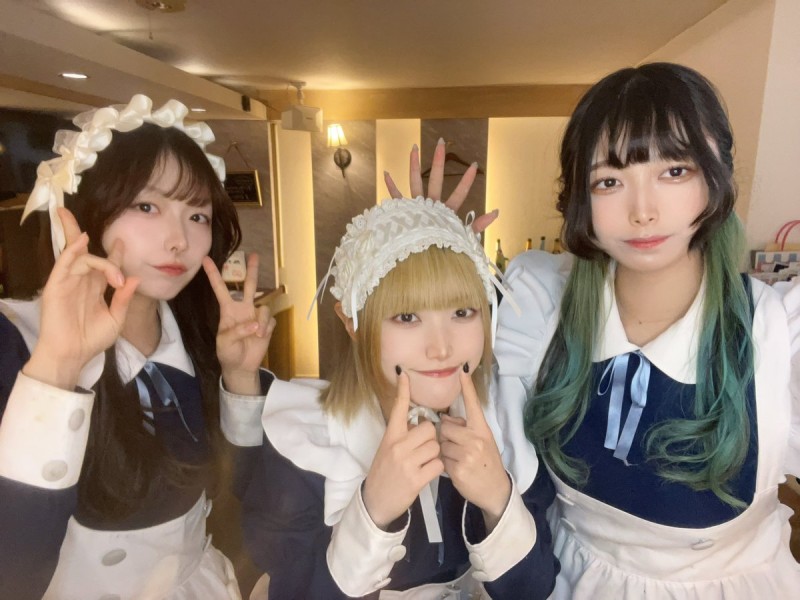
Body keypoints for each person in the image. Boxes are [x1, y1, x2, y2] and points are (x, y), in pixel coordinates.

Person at [485, 63, 800, 597]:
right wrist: (424, 271)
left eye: (674, 171)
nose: (643, 212)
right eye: (609, 181)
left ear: (718, 175)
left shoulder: (775, 338)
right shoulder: (541, 309)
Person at [0, 95, 273, 599]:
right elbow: (13, 571)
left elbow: (243, 493)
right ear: (82, 213)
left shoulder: (204, 336)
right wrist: (58, 368)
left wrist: (239, 380)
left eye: (198, 215)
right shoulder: (15, 344)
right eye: (147, 206)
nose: (178, 240)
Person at [238, 196, 558, 598]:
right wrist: (373, 511)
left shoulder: (505, 418)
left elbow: (532, 590)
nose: (441, 348)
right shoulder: (307, 437)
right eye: (407, 317)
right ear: (352, 322)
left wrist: (497, 497)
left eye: (462, 312)